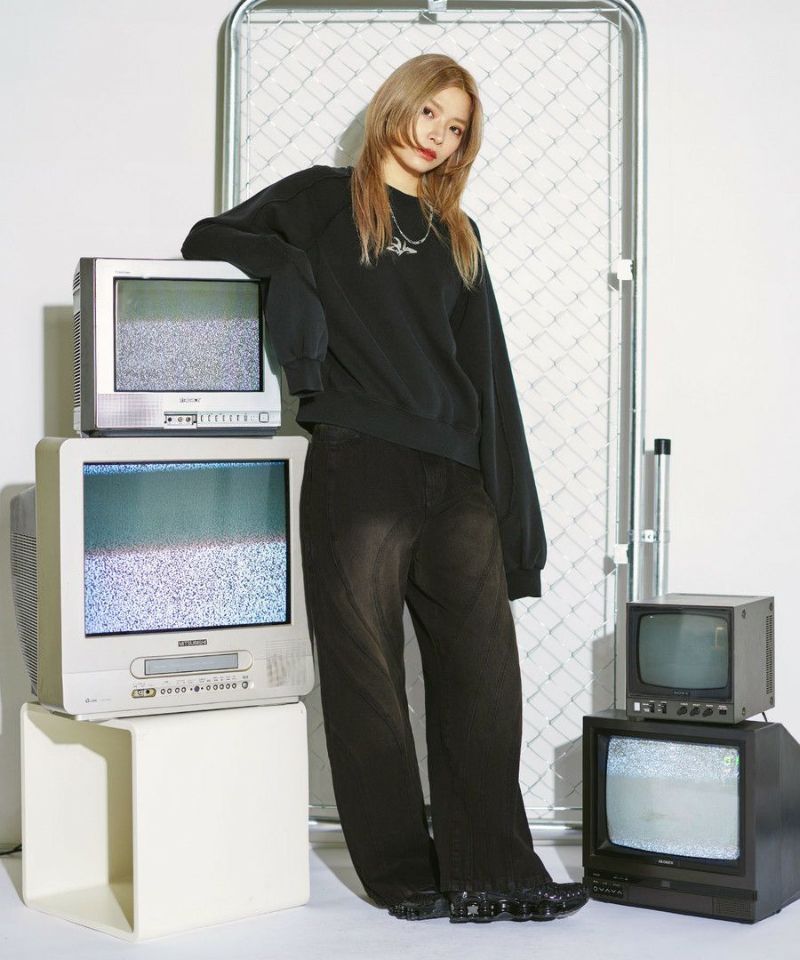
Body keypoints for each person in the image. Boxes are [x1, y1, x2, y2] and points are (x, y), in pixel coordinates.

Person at [182, 53, 587, 924]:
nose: (439, 136)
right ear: (396, 104)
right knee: (366, 677)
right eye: (431, 112)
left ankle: (496, 870)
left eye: (458, 128)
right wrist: (290, 277)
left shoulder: (458, 235)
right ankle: (406, 875)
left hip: (456, 471)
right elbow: (207, 239)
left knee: (484, 678)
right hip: (359, 461)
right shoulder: (322, 199)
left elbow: (489, 379)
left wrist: (513, 521)